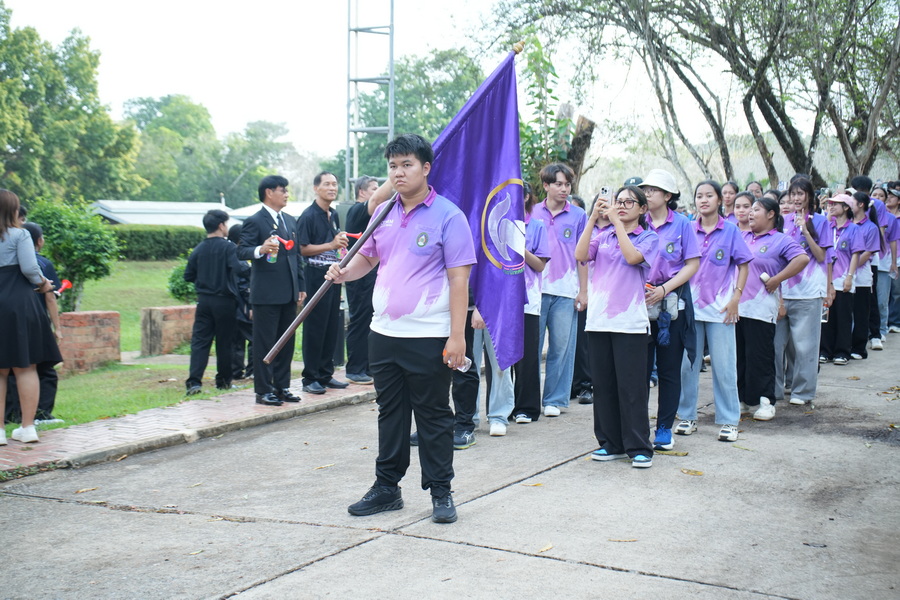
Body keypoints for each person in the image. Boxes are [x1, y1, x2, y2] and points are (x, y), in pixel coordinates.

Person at [326, 134, 476, 524]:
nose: (399, 172)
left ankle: (441, 491)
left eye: (407, 164)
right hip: (384, 333)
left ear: (426, 168)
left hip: (429, 334)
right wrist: (344, 272)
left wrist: (456, 336)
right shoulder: (383, 213)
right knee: (389, 414)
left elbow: (459, 281)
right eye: (393, 167)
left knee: (433, 415)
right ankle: (386, 487)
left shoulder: (448, 216)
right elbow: (369, 260)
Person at [575, 185, 658, 468]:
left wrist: (616, 223)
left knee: (631, 387)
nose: (621, 206)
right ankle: (610, 443)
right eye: (618, 201)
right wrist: (592, 219)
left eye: (629, 202)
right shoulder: (603, 235)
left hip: (630, 323)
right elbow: (581, 254)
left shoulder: (648, 237)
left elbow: (633, 257)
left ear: (643, 209)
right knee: (604, 385)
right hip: (599, 320)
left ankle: (639, 447)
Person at [676, 181, 752, 443]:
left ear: (720, 200)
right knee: (688, 365)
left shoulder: (730, 231)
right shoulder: (686, 229)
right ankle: (687, 415)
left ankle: (729, 420)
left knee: (724, 366)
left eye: (709, 195)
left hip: (721, 310)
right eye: (699, 196)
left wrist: (736, 298)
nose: (703, 200)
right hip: (689, 309)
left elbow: (743, 266)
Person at [638, 170, 700, 451]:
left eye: (653, 190)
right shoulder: (639, 222)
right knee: (637, 369)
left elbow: (691, 264)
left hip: (670, 304)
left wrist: (664, 290)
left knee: (669, 369)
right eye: (645, 189)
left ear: (668, 196)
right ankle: (637, 426)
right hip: (638, 301)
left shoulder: (683, 225)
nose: (647, 194)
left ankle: (663, 428)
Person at [736, 197, 808, 421]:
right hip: (736, 308)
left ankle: (767, 401)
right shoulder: (741, 237)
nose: (750, 213)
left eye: (756, 209)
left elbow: (802, 259)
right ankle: (742, 400)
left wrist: (777, 279)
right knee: (739, 356)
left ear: (771, 215)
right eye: (749, 209)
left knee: (761, 355)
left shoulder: (780, 240)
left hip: (761, 307)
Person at [237, 175, 306, 406]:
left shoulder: (289, 220)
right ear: (269, 192)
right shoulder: (255, 221)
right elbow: (241, 251)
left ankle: (282, 386)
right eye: (282, 190)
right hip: (266, 294)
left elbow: (296, 256)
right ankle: (263, 390)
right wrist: (261, 248)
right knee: (265, 343)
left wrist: (301, 286)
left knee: (285, 341)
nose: (286, 194)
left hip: (289, 292)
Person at [0, 189, 59, 445]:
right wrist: (45, 284)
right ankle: (27, 428)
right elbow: (29, 268)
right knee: (26, 367)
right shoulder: (20, 234)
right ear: (14, 210)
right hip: (20, 302)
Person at [531, 163, 588, 417]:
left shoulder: (578, 216)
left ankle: (554, 399)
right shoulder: (531, 212)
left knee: (561, 348)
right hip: (534, 290)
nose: (564, 189)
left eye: (567, 184)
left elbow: (583, 257)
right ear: (546, 185)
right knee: (531, 347)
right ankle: (529, 400)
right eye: (559, 184)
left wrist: (583, 291)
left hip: (566, 291)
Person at [774, 178, 832, 406]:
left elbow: (821, 256)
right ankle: (775, 390)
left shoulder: (821, 222)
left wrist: (805, 231)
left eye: (801, 194)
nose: (796, 199)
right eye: (793, 194)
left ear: (810, 196)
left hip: (808, 292)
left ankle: (803, 392)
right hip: (782, 291)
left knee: (805, 346)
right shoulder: (782, 221)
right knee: (776, 345)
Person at [183, 210, 249, 395]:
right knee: (224, 342)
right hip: (224, 301)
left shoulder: (198, 249)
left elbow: (188, 275)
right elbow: (241, 268)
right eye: (226, 224)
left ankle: (194, 383)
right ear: (221, 225)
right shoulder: (229, 248)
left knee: (200, 342)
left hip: (203, 301)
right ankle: (224, 381)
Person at [5, 222, 63, 425]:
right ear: (38, 241)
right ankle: (36, 419)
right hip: (28, 316)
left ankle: (6, 422)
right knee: (34, 369)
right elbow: (48, 295)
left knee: (5, 370)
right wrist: (57, 326)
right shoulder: (37, 260)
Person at [297, 172, 350, 394]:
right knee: (315, 326)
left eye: (335, 184)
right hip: (315, 275)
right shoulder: (308, 216)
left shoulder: (334, 214)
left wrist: (339, 246)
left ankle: (325, 374)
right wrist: (330, 245)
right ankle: (310, 378)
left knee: (330, 325)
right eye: (327, 184)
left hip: (333, 275)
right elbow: (302, 248)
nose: (332, 188)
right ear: (316, 188)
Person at [512, 182, 550, 424]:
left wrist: (519, 248)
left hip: (528, 299)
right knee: (502, 357)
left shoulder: (536, 227)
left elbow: (540, 265)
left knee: (527, 356)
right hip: (502, 301)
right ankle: (503, 407)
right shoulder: (496, 222)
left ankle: (527, 407)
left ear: (527, 197)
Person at [343, 175, 380, 385]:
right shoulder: (357, 211)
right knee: (359, 320)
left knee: (370, 321)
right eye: (373, 188)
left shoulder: (376, 215)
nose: (377, 192)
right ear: (362, 193)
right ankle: (355, 368)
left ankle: (366, 366)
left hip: (371, 275)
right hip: (358, 276)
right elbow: (376, 202)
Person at [819, 194, 863, 365]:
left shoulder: (853, 229)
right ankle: (825, 350)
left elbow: (855, 254)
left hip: (843, 278)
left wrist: (850, 277)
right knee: (826, 317)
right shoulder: (827, 227)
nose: (831, 207)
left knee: (843, 316)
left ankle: (842, 352)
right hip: (826, 279)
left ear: (846, 207)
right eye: (830, 204)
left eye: (836, 204)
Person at [848, 191, 883, 360]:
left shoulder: (871, 227)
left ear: (861, 205)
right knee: (846, 312)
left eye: (851, 203)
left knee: (861, 312)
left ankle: (859, 347)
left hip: (861, 276)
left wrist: (850, 267)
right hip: (843, 275)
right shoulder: (846, 224)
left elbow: (867, 253)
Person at [568, 194, 593, 405]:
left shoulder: (587, 226)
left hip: (583, 290)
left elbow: (582, 260)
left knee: (582, 342)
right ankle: (570, 386)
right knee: (567, 344)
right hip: (557, 288)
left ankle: (586, 384)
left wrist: (583, 289)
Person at [227, 224, 253, 381]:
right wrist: (250, 305)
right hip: (242, 305)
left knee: (236, 340)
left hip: (232, 305)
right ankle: (252, 369)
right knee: (254, 337)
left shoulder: (228, 253)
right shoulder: (239, 258)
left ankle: (236, 371)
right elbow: (244, 285)